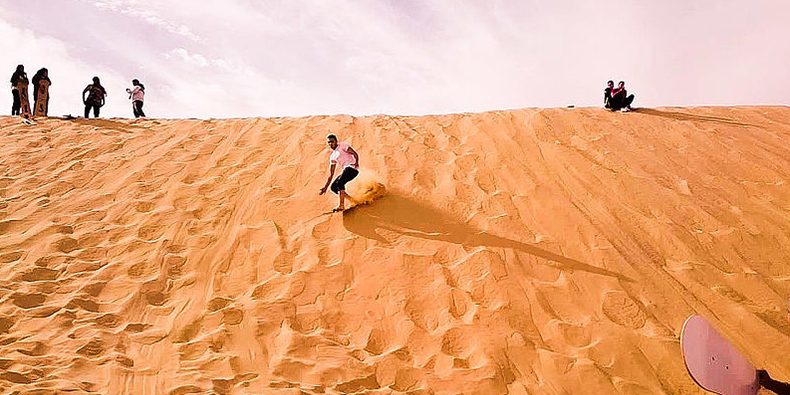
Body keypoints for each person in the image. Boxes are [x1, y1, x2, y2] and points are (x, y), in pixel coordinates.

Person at [319, 134, 360, 212]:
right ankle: (352, 200)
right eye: (329, 142)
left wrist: (356, 163)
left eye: (332, 141)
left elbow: (354, 153)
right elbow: (331, 174)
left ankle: (341, 205)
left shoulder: (343, 146)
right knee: (334, 188)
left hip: (352, 169)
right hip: (346, 170)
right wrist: (326, 187)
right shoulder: (332, 156)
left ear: (336, 141)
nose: (330, 144)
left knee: (340, 183)